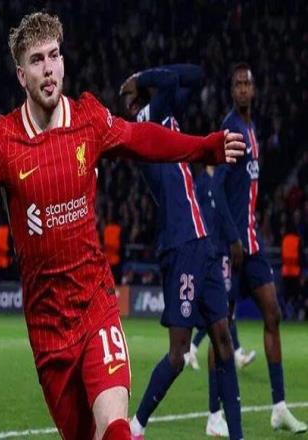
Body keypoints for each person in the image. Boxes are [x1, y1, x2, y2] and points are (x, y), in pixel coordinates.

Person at [0, 13, 244, 440]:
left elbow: (142, 138)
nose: (48, 69)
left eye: (54, 55)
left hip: (95, 303)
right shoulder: (4, 141)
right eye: (37, 60)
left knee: (115, 426)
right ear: (21, 75)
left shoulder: (89, 118)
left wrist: (204, 148)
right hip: (47, 326)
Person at [120, 65, 243, 440]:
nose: (126, 101)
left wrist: (143, 79)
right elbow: (173, 80)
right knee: (178, 354)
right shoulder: (144, 123)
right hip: (180, 244)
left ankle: (237, 435)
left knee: (223, 338)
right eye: (126, 97)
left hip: (202, 241)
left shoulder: (166, 115)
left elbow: (196, 75)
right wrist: (141, 79)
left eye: (129, 94)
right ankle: (136, 426)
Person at [215, 62, 306, 433]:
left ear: (254, 90)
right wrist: (232, 237)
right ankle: (215, 414)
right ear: (231, 90)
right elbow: (216, 188)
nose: (242, 89)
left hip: (251, 243)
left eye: (246, 84)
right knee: (221, 328)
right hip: (233, 246)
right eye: (237, 84)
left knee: (273, 313)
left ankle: (279, 407)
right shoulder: (232, 129)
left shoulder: (252, 129)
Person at [185, 165, 256, 373]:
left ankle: (200, 348)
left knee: (225, 306)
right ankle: (231, 353)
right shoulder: (201, 183)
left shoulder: (223, 180)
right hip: (210, 250)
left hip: (224, 249)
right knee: (220, 307)